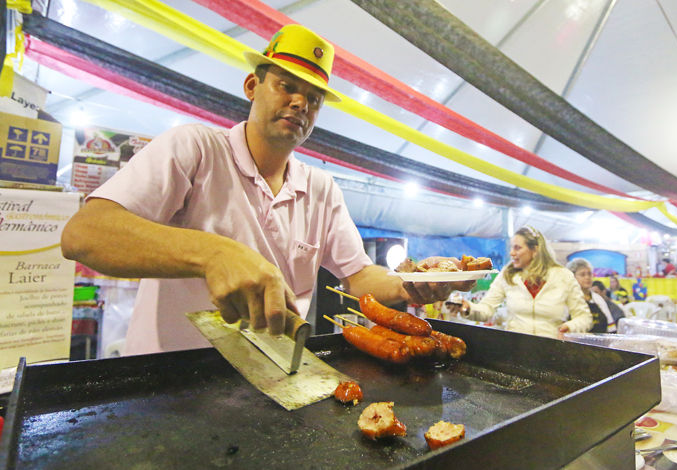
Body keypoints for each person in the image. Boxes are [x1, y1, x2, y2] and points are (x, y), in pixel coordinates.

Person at [60, 24, 462, 355]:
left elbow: (358, 276)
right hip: (167, 387)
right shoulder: (195, 148)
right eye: (286, 86)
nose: (300, 103)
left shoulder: (320, 189)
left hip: (271, 381)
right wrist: (213, 253)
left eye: (314, 99)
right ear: (253, 85)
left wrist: (412, 284)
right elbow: (85, 235)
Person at [446, 226, 592, 338]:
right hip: (516, 349)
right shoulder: (507, 274)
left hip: (552, 349)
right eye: (511, 248)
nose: (512, 253)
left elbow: (584, 317)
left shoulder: (563, 276)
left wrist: (570, 327)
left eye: (517, 248)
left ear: (535, 250)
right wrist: (467, 308)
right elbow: (487, 309)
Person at [566, 259, 616, 333]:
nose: (587, 277)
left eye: (589, 274)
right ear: (572, 277)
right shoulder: (567, 299)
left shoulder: (598, 299)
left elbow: (611, 328)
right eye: (582, 274)